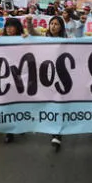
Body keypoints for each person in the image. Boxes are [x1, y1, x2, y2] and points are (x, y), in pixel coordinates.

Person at [26, 15, 67, 150]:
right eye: (52, 23)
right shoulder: (43, 36)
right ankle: (50, 126)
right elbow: (32, 32)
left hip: (60, 76)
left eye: (56, 24)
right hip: (45, 75)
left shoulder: (67, 40)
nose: (53, 26)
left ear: (61, 27)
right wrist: (29, 22)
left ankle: (57, 134)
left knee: (58, 104)